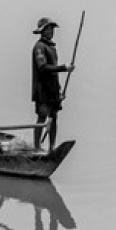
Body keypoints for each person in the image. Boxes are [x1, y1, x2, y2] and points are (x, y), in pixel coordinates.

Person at [31, 17, 74, 150]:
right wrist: (63, 68)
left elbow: (53, 73)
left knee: (53, 117)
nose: (51, 31)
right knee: (42, 118)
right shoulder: (39, 47)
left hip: (53, 90)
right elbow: (43, 68)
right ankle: (37, 147)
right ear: (42, 31)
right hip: (43, 90)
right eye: (48, 29)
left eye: (52, 29)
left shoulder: (51, 47)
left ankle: (51, 147)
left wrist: (59, 90)